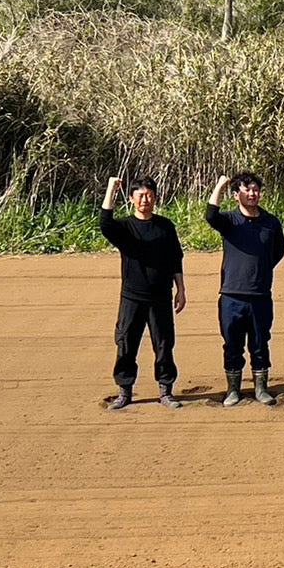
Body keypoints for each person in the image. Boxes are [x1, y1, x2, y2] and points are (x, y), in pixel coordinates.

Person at [100, 175, 186, 411]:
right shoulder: (125, 228)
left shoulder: (165, 226)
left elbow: (175, 258)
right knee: (126, 344)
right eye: (140, 195)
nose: (145, 199)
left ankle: (166, 391)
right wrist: (110, 189)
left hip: (160, 297)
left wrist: (181, 288)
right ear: (132, 199)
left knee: (164, 344)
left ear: (155, 198)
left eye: (149, 195)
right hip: (132, 297)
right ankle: (124, 391)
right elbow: (105, 224)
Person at [206, 171, 284, 407]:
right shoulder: (229, 221)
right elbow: (210, 215)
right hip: (232, 295)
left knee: (260, 343)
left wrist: (261, 268)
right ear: (236, 194)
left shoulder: (271, 222)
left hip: (260, 294)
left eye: (256, 190)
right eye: (247, 189)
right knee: (232, 344)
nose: (252, 194)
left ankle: (261, 388)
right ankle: (233, 390)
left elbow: (278, 251)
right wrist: (219, 185)